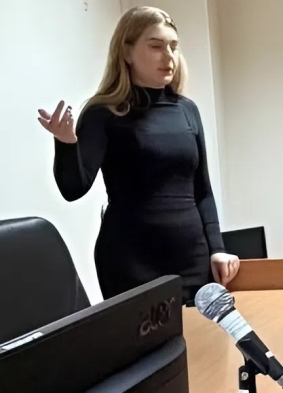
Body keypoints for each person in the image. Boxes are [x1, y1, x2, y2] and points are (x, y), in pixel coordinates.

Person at [37, 6, 239, 304]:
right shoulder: (103, 112)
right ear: (127, 52)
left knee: (202, 334)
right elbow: (73, 189)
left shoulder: (187, 110)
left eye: (173, 46)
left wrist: (217, 248)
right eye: (156, 46)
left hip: (192, 259)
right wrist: (66, 143)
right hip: (130, 262)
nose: (169, 56)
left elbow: (203, 190)